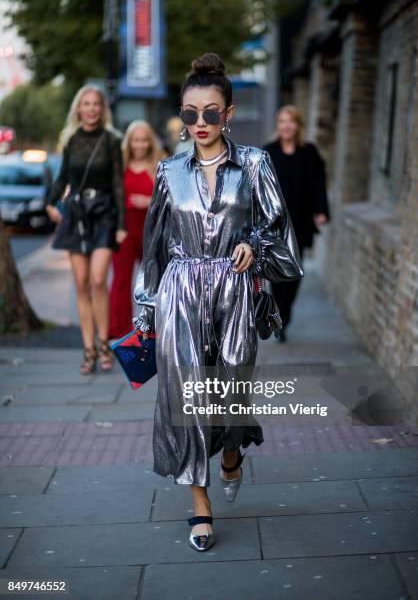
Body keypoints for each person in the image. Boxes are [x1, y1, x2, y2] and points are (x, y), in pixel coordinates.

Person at [133, 53, 304, 552]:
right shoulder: (169, 172)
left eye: (211, 112)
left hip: (234, 290)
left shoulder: (254, 164)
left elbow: (282, 238)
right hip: (181, 293)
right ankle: (200, 505)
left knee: (229, 387)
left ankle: (231, 450)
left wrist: (255, 245)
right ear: (182, 116)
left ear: (228, 113)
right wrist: (147, 311)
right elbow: (155, 248)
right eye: (190, 113)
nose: (200, 123)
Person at [45, 84, 127, 373]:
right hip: (77, 215)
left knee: (96, 281)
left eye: (96, 104)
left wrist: (121, 225)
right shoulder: (70, 140)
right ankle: (89, 349)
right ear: (78, 108)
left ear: (102, 109)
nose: (91, 108)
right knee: (80, 283)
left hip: (104, 213)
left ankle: (105, 344)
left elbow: (118, 183)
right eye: (86, 104)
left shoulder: (111, 140)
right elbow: (63, 177)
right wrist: (50, 202)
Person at [263, 105, 330, 342]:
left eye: (291, 121)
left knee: (294, 273)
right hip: (273, 223)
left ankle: (285, 314)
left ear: (298, 126)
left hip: (300, 221)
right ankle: (278, 318)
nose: (286, 126)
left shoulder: (309, 152)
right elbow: (258, 186)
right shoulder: (268, 152)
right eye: (282, 121)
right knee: (276, 273)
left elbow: (319, 183)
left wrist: (321, 210)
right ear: (278, 125)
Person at [109, 120, 162, 338]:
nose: (139, 145)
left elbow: (171, 202)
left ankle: (153, 332)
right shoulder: (119, 166)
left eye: (144, 140)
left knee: (153, 284)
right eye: (135, 140)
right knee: (120, 281)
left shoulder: (159, 166)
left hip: (151, 231)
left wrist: (148, 201)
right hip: (124, 230)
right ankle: (118, 334)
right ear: (129, 143)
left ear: (150, 143)